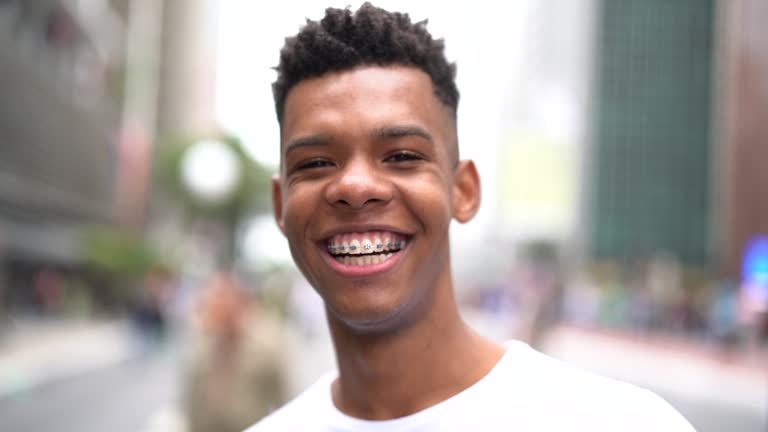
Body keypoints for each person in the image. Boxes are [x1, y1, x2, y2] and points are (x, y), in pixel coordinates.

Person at [245, 3, 695, 431]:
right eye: (316, 163)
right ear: (281, 205)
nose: (356, 188)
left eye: (401, 156)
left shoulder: (624, 424)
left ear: (464, 191)